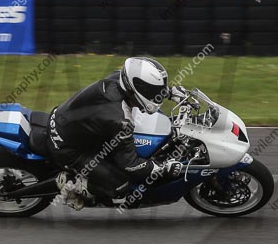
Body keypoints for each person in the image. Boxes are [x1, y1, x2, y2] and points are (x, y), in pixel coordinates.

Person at [47, 57, 184, 211]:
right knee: (120, 185)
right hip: (67, 147)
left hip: (68, 122)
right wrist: (162, 168)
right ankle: (72, 186)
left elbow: (142, 87)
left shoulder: (119, 79)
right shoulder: (120, 119)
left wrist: (169, 92)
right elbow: (131, 164)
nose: (155, 95)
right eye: (153, 91)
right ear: (134, 88)